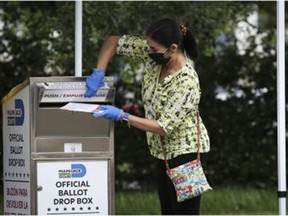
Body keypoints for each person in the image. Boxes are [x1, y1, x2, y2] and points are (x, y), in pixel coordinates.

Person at [85, 18, 210, 215]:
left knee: (184, 213)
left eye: (153, 49)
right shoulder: (155, 53)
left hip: (186, 152)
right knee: (167, 211)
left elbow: (163, 127)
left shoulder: (187, 81)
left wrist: (122, 115)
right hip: (162, 151)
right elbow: (113, 41)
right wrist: (99, 71)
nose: (148, 51)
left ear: (173, 48)